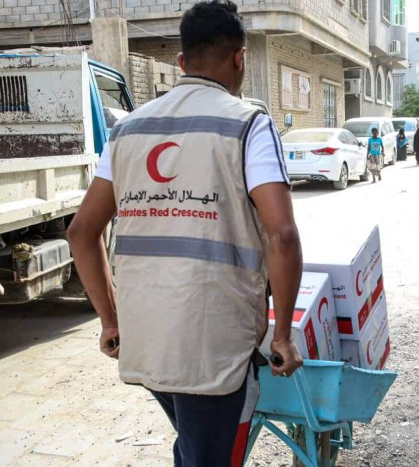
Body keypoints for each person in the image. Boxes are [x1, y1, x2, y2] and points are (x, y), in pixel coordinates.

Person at [67, 1, 303, 465]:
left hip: (147, 338)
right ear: (240, 58)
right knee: (208, 453)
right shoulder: (247, 124)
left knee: (195, 446)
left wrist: (111, 321)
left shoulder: (127, 129)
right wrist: (281, 337)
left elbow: (80, 232)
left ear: (181, 61)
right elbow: (283, 236)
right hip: (215, 346)